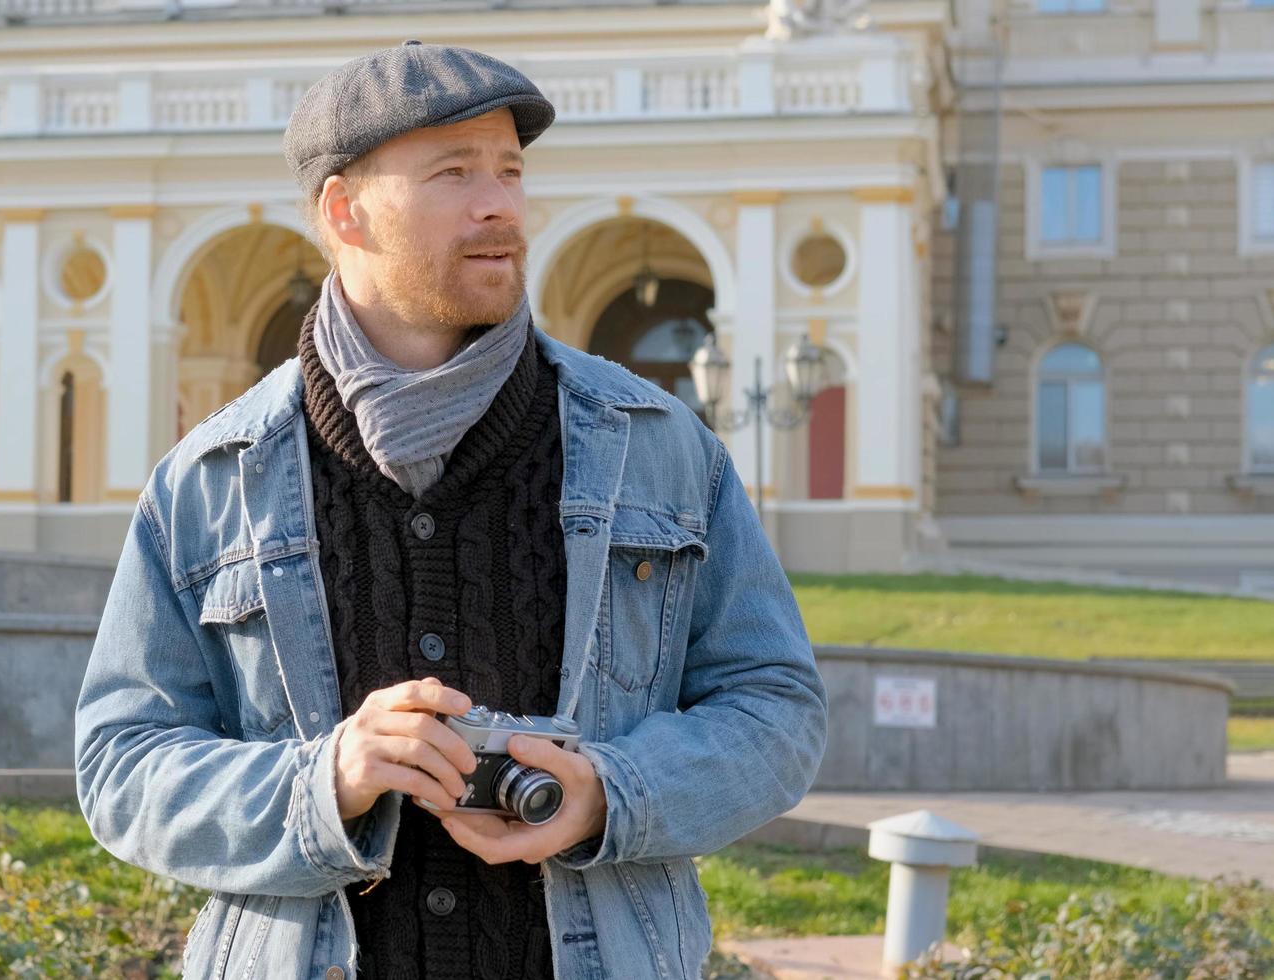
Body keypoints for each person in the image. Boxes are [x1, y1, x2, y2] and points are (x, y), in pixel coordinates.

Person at [73, 39, 827, 980]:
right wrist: (324, 782)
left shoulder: (659, 447)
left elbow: (776, 711)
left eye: (510, 169)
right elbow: (119, 766)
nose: (500, 204)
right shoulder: (207, 478)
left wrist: (608, 795)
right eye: (453, 172)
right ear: (344, 211)